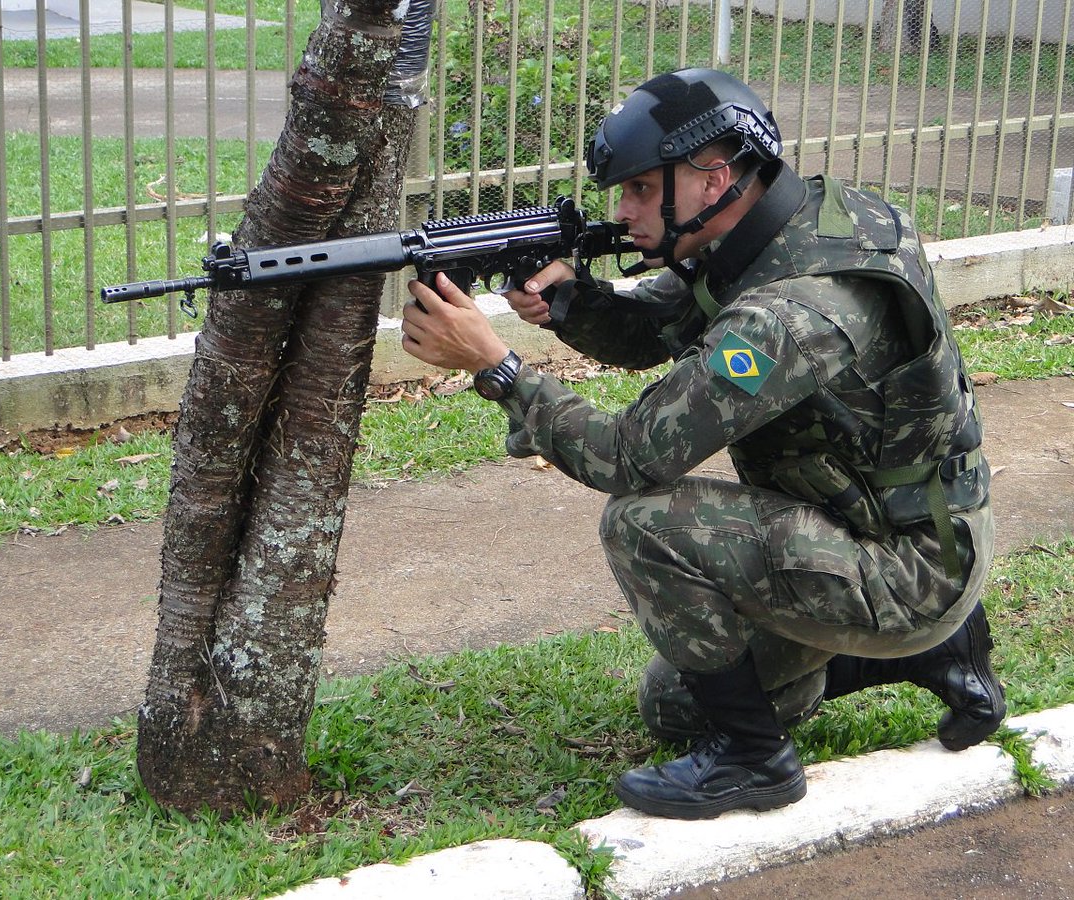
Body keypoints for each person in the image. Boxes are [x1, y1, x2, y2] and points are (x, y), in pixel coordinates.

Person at [399, 67, 1006, 821]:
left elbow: (631, 455)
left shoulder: (791, 315)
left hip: (910, 567)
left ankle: (757, 761)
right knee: (675, 704)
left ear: (715, 174)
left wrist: (500, 369)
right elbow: (659, 324)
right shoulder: (802, 224)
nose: (624, 212)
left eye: (642, 191)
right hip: (917, 530)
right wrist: (570, 303)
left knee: (642, 523)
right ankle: (935, 652)